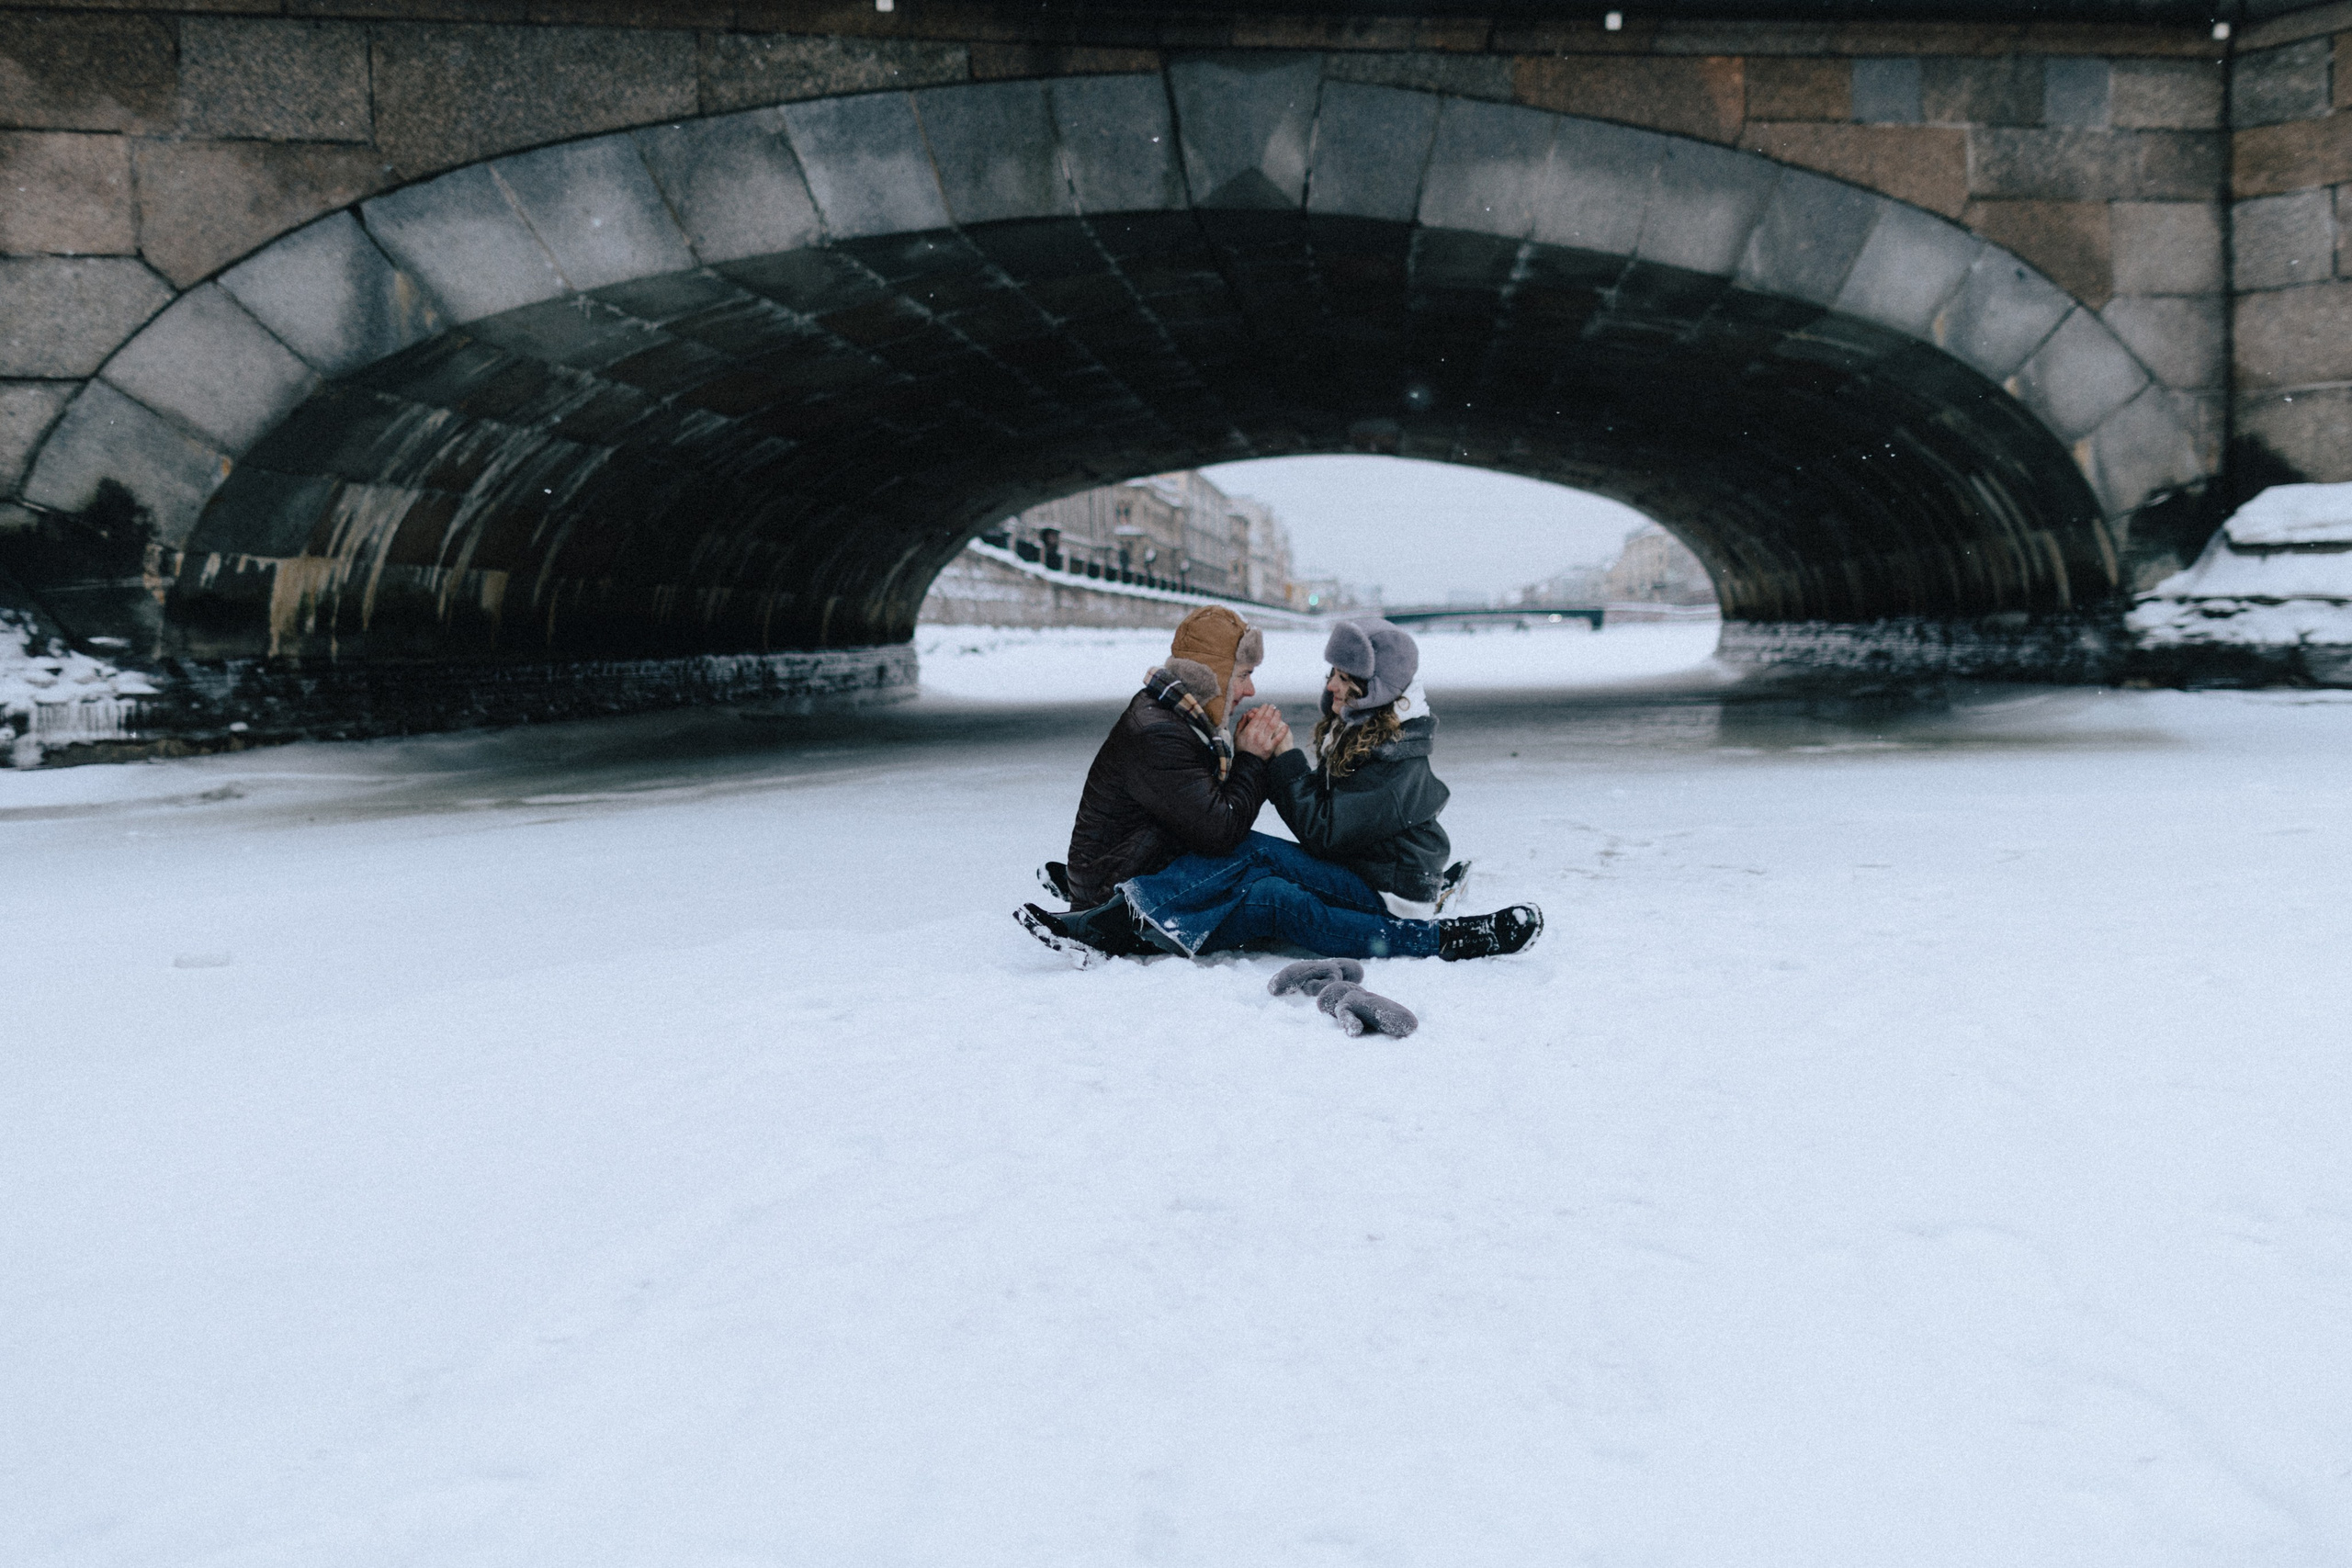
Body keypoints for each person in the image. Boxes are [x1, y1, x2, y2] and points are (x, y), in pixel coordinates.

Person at [1021, 615, 1543, 965]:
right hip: (1366, 870)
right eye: (1332, 673)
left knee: (1271, 889)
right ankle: (1115, 909)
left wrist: (1273, 758)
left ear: (1375, 689)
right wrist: (1263, 759)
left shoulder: (1398, 755)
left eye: (1344, 676)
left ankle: (1440, 940)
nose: (1331, 686)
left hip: (1385, 889)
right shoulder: (1362, 731)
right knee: (1259, 875)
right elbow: (1226, 821)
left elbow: (1326, 831)